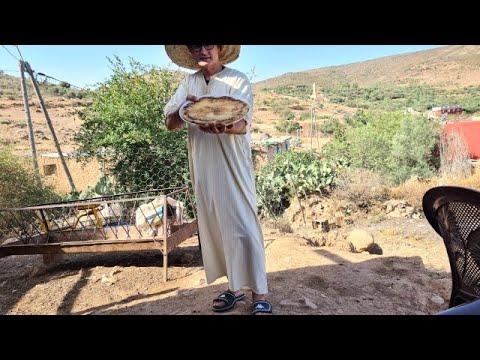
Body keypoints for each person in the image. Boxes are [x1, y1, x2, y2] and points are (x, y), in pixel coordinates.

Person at [164, 45, 272, 315]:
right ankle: (234, 289)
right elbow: (170, 122)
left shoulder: (237, 79)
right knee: (217, 227)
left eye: (208, 44)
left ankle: (260, 291)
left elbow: (242, 124)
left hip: (233, 165)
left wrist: (224, 126)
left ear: (220, 48)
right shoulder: (189, 83)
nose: (202, 51)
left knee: (245, 224)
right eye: (195, 46)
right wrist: (184, 109)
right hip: (204, 167)